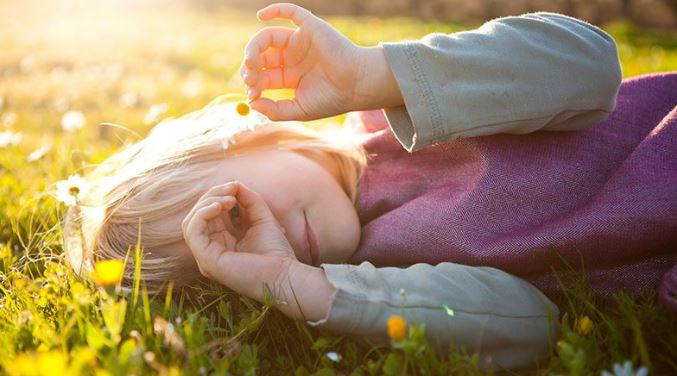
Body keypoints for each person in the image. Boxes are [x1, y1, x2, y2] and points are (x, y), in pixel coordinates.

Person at [64, 3, 677, 371]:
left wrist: (371, 76)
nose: (267, 236)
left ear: (253, 139)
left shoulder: (392, 104)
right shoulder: (372, 283)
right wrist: (293, 283)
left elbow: (591, 65)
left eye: (233, 211)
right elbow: (532, 324)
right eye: (225, 270)